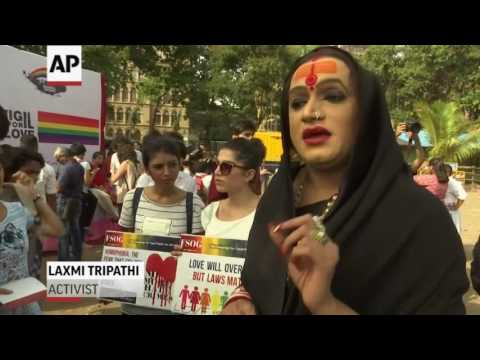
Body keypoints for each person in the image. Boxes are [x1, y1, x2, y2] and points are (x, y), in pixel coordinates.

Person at [222, 46, 468, 315]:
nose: (310, 113)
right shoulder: (277, 196)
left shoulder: (420, 219)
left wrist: (326, 305)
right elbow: (259, 279)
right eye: (297, 102)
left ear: (365, 112)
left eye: (333, 96)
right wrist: (241, 297)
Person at [118, 136, 204, 315]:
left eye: (172, 164)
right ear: (147, 170)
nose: (167, 172)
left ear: (180, 164)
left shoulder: (194, 203)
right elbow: (122, 246)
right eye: (158, 166)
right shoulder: (132, 199)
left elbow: (199, 252)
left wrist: (187, 253)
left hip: (175, 301)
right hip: (136, 301)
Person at [0, 147, 64, 314]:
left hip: (25, 274)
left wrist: (34, 197)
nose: (33, 177)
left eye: (37, 172)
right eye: (29, 171)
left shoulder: (17, 207)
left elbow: (54, 229)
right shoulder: (8, 196)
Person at [201, 138, 265, 240]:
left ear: (249, 175)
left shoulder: (267, 213)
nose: (217, 172)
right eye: (216, 164)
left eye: (226, 167)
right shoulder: (210, 211)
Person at [57, 148, 84, 261]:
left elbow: (59, 188)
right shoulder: (80, 167)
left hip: (66, 201)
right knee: (75, 229)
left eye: (58, 158)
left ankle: (63, 259)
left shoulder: (67, 168)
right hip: (77, 200)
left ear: (64, 155)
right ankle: (76, 257)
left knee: (63, 232)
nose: (58, 161)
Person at [19, 135, 57, 211]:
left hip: (37, 213)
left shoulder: (47, 169)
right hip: (21, 215)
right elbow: (51, 197)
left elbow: (51, 197)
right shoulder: (14, 166)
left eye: (36, 172)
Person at [110, 142, 142, 214]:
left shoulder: (126, 163)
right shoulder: (137, 163)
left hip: (125, 196)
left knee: (123, 221)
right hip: (135, 195)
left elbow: (113, 179)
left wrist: (112, 171)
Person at [443, 164, 467, 234]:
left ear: (447, 173)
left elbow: (462, 196)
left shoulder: (452, 182)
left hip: (451, 212)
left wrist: (456, 207)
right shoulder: (442, 181)